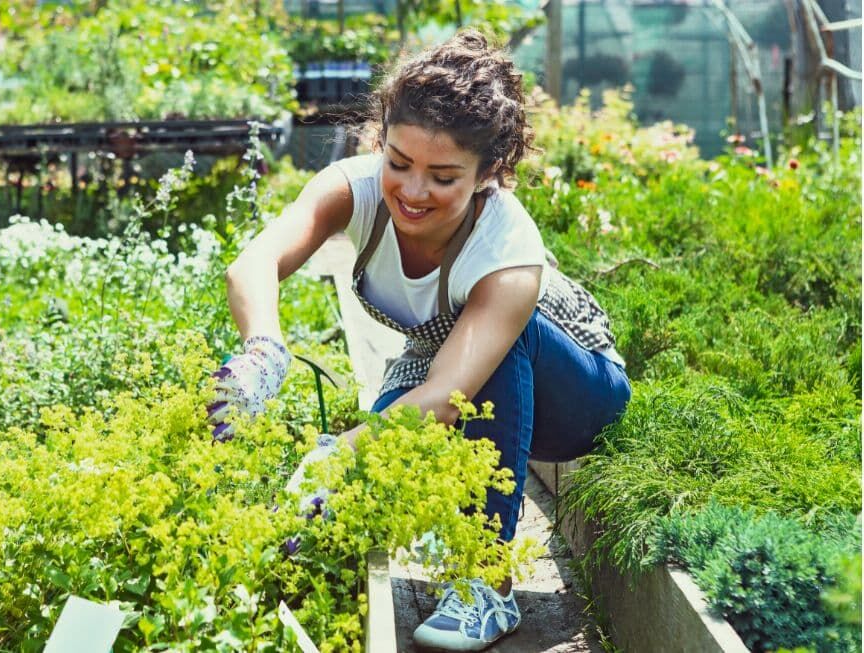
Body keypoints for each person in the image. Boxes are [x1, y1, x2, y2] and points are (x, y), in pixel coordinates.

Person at [208, 29, 632, 651]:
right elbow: (253, 263)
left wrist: (339, 450)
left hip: (576, 394)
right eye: (399, 163)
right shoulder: (352, 189)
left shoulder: (507, 250)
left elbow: (444, 397)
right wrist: (264, 350)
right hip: (452, 369)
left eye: (442, 177)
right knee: (357, 480)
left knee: (384, 435)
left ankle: (487, 583)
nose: (411, 190)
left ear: (488, 173)